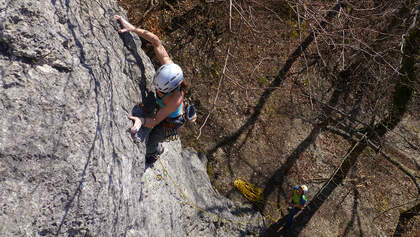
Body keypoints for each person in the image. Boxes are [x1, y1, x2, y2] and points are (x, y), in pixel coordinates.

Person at [114, 15, 195, 163]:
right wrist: (132, 28)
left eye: (162, 90)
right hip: (162, 106)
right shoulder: (169, 66)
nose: (159, 90)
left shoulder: (175, 100)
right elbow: (156, 41)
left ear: (171, 89)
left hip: (172, 120)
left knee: (150, 144)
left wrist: (141, 121)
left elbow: (156, 120)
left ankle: (157, 151)